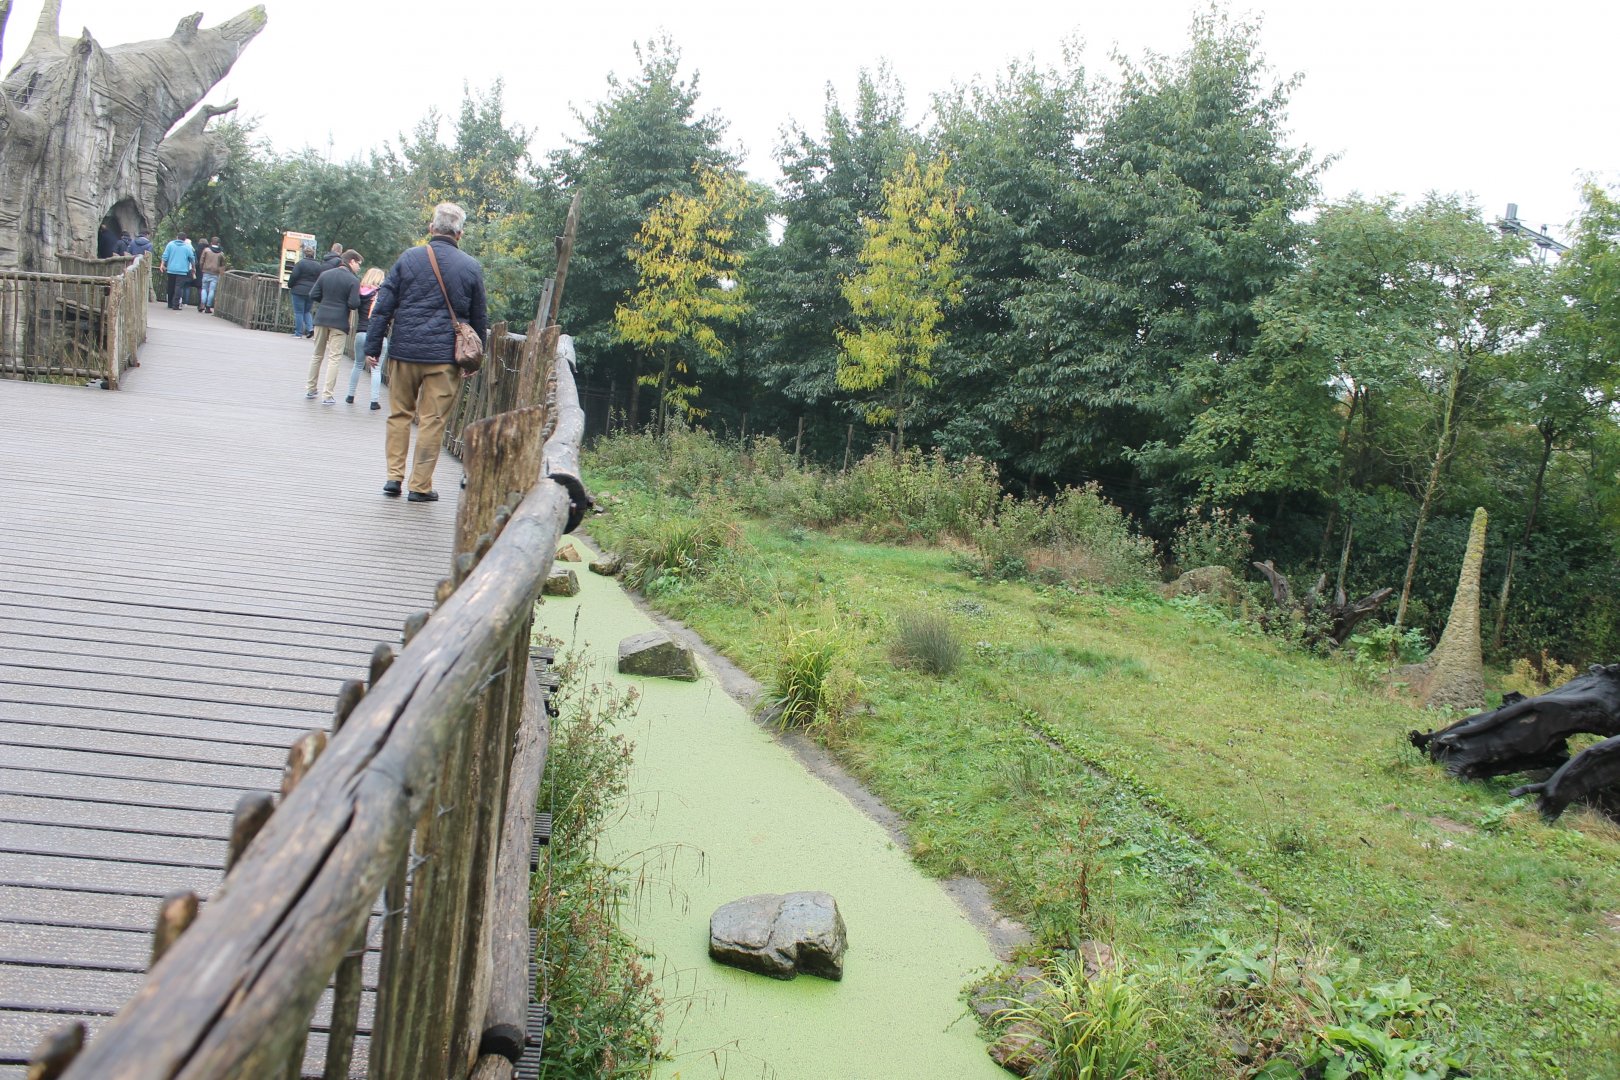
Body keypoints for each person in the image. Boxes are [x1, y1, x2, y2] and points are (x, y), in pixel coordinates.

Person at [365, 201, 486, 502]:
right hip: (444, 358)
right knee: (432, 421)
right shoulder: (470, 267)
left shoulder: (408, 258)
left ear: (432, 229)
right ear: (460, 234)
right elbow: (479, 317)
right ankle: (420, 486)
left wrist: (372, 346)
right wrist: (475, 359)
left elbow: (384, 306)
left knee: (399, 415)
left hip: (404, 352)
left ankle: (393, 478)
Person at [306, 249, 364, 404]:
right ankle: (327, 395)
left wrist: (326, 301)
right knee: (334, 358)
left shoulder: (326, 275)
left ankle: (310, 389)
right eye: (358, 264)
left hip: (321, 318)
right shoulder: (353, 280)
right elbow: (353, 304)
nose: (359, 267)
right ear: (351, 261)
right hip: (339, 322)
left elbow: (313, 294)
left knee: (317, 355)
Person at [347, 266, 388, 410]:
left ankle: (350, 395)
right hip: (378, 335)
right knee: (376, 369)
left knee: (358, 364)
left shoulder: (360, 292)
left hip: (361, 332)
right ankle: (374, 401)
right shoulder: (383, 294)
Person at [286, 245, 323, 338]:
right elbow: (320, 279)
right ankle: (310, 329)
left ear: (304, 254)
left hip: (298, 291)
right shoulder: (318, 266)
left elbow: (294, 276)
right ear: (313, 255)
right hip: (311, 291)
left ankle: (298, 333)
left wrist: (290, 285)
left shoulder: (300, 264)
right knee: (307, 311)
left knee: (298, 312)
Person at [160, 232, 195, 310]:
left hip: (171, 269)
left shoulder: (170, 244)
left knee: (171, 286)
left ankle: (169, 303)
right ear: (185, 239)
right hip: (182, 271)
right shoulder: (187, 247)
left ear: (177, 237)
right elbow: (192, 258)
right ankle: (175, 304)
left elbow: (165, 256)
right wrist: (193, 268)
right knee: (179, 287)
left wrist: (162, 265)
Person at [197, 237, 226, 314]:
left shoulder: (206, 250)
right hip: (215, 273)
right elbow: (222, 265)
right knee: (212, 290)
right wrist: (221, 273)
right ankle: (208, 307)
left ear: (211, 243)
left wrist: (202, 268)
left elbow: (201, 261)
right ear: (218, 243)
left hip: (206, 271)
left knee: (204, 288)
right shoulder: (221, 253)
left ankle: (202, 304)